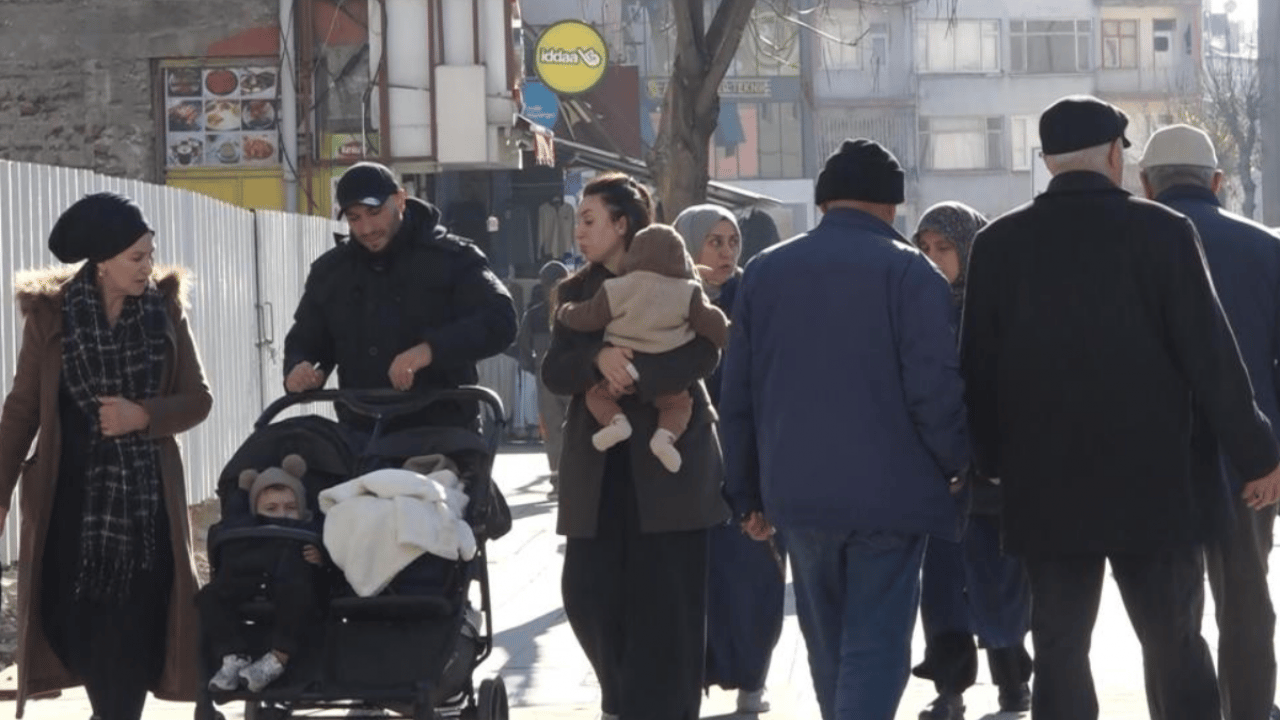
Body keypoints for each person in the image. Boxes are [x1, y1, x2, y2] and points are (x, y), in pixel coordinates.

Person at [960, 95, 1280, 720]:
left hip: (1045, 483)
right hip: (1155, 482)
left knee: (1060, 649)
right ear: (1114, 154)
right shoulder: (1162, 231)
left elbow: (977, 369)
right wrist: (1257, 453)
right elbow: (1212, 358)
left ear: (1048, 161)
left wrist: (991, 461)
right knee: (1174, 641)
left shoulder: (998, 244)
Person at [720, 138, 970, 720]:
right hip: (892, 495)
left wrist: (745, 492)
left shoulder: (765, 271)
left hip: (797, 493)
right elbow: (933, 390)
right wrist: (957, 463)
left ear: (823, 201)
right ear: (890, 205)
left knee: (827, 642)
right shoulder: (912, 273)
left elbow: (739, 394)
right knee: (876, 645)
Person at [0, 192, 213, 720]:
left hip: (146, 512)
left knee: (134, 636)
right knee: (75, 626)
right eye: (136, 257)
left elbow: (198, 399)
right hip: (69, 508)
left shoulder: (165, 310)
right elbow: (22, 410)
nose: (148, 267)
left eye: (150, 254)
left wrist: (143, 415)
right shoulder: (51, 316)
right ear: (101, 261)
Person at [541, 172, 729, 720]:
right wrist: (596, 360)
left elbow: (706, 354)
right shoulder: (576, 293)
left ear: (622, 224)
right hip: (601, 464)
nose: (579, 231)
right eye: (577, 221)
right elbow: (555, 369)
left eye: (589, 220)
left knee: (671, 606)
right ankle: (619, 699)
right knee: (588, 594)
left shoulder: (677, 274)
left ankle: (663, 709)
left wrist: (640, 375)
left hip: (670, 462)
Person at [1140, 123, 1280, 720]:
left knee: (1168, 614)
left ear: (1146, 185)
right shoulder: (1265, 249)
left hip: (1153, 463)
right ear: (1218, 181)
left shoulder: (1131, 248)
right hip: (1248, 464)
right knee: (1245, 604)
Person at [910, 202, 1032, 720]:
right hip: (935, 474)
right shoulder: (916, 308)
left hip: (990, 474)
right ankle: (950, 688)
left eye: (946, 248)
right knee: (941, 589)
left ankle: (1013, 684)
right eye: (925, 248)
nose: (935, 259)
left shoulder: (998, 305)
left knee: (998, 583)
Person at [283, 161, 517, 429]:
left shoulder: (452, 259)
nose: (366, 229)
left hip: (443, 431)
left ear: (400, 200)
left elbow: (501, 320)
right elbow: (305, 338)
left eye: (374, 212)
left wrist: (430, 350)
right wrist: (298, 369)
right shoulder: (331, 273)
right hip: (360, 435)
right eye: (354, 218)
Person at [673, 203, 785, 715]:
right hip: (685, 463)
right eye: (713, 241)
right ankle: (693, 678)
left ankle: (753, 680)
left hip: (748, 461)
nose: (725, 252)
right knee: (696, 586)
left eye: (732, 241)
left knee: (754, 579)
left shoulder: (755, 299)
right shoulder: (667, 299)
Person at [556, 223, 729, 473]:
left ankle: (615, 422)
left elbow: (588, 316)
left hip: (621, 364)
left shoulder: (616, 288)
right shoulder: (688, 291)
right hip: (668, 369)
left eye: (589, 220)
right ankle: (665, 437)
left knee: (598, 395)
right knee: (678, 404)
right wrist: (730, 333)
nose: (581, 230)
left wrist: (566, 312)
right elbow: (711, 323)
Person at [198, 454, 327, 694]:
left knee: (299, 592)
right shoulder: (247, 526)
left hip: (293, 586)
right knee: (209, 596)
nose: (282, 514)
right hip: (250, 581)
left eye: (291, 508)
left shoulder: (310, 526)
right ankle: (233, 655)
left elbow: (328, 572)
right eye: (271, 508)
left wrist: (321, 560)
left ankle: (278, 659)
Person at [515, 261, 570, 496]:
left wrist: (534, 367)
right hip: (568, 374)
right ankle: (568, 478)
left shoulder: (535, 314)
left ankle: (560, 480)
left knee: (554, 428)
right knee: (570, 426)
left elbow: (522, 350)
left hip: (548, 376)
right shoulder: (574, 310)